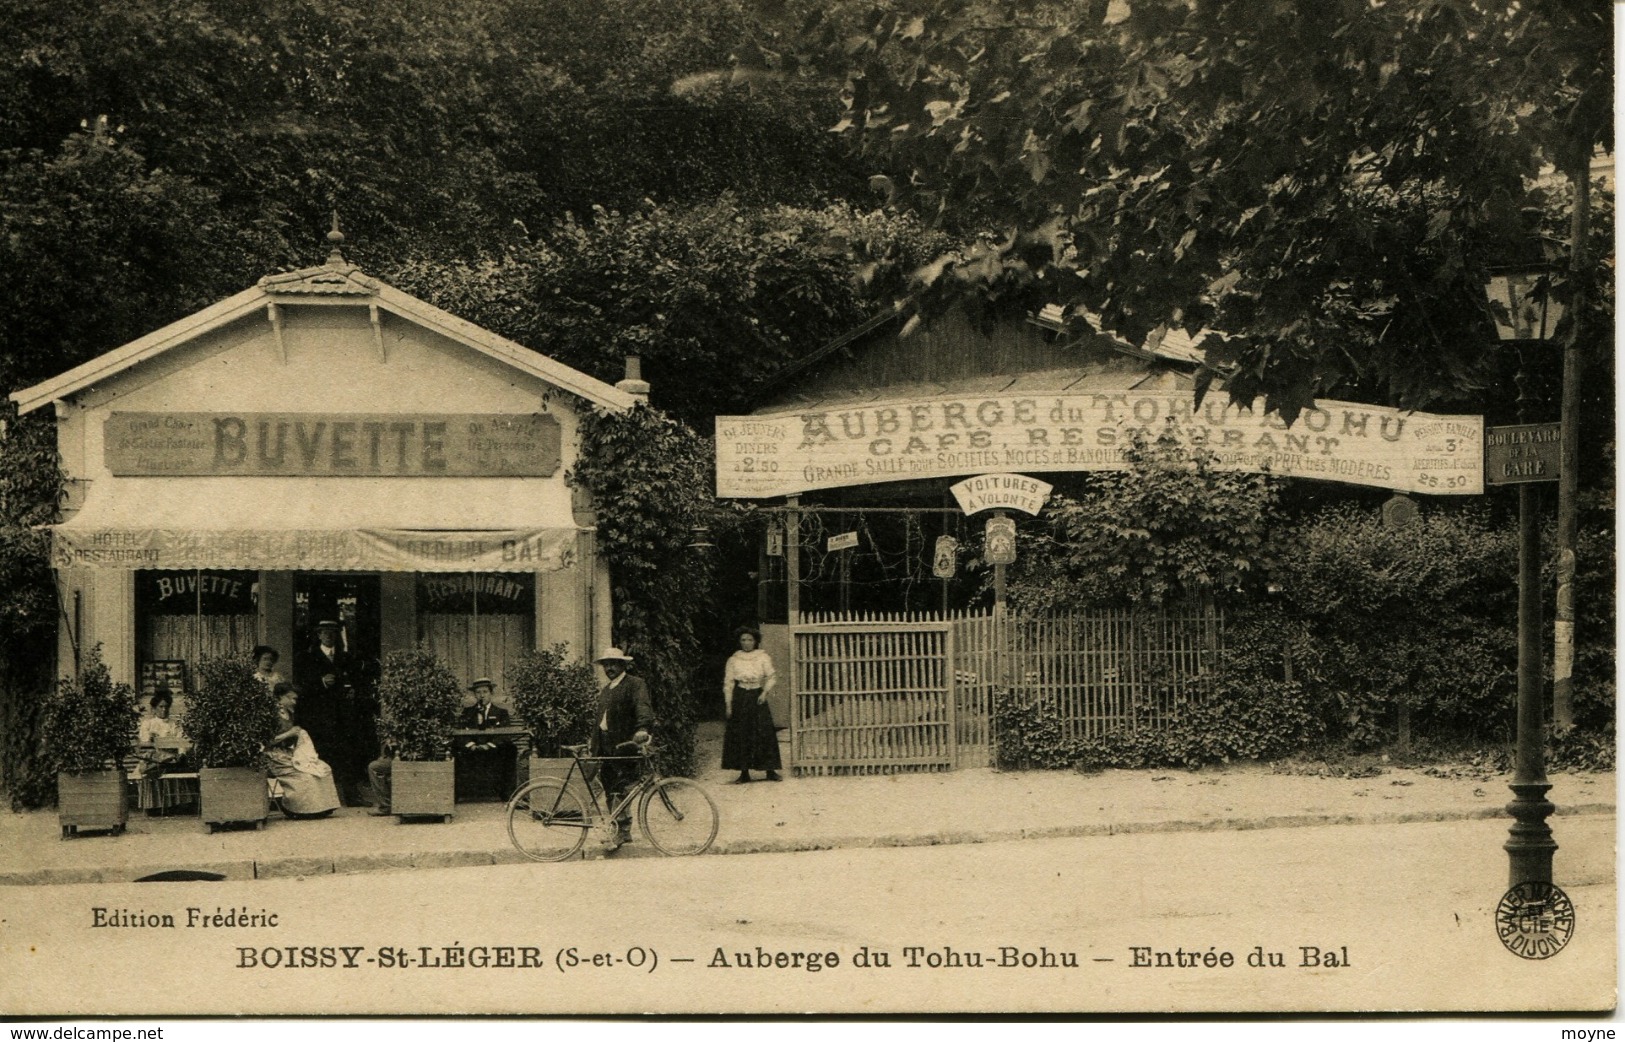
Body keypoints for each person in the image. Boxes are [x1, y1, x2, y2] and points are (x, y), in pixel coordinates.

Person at [590, 648, 653, 844]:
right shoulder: (606, 690)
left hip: (624, 744)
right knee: (610, 787)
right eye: (606, 664)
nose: (609, 668)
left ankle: (621, 830)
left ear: (623, 665)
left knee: (624, 787)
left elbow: (642, 706)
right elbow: (601, 720)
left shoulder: (635, 684)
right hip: (605, 745)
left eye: (614, 663)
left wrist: (642, 728)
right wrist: (593, 743)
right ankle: (619, 829)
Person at [292, 620, 357, 803]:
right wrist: (320, 681)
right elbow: (300, 685)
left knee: (345, 754)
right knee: (322, 755)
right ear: (319, 635)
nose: (329, 636)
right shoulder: (307, 657)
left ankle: (351, 797)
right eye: (325, 632)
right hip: (319, 716)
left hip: (341, 714)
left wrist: (351, 690)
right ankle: (326, 798)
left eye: (333, 633)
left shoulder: (345, 657)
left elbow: (353, 679)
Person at [265, 684, 340, 818]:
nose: (294, 702)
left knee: (323, 768)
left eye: (296, 699)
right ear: (281, 697)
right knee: (306, 776)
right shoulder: (270, 713)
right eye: (291, 698)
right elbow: (266, 741)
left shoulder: (289, 713)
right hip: (273, 755)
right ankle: (296, 809)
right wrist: (290, 733)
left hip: (287, 752)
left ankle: (322, 807)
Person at [721, 625, 782, 783]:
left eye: (749, 640)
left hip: (757, 696)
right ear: (739, 642)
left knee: (764, 732)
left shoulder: (763, 657)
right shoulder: (733, 659)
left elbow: (772, 677)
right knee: (742, 733)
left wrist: (764, 692)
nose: (746, 643)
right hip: (740, 697)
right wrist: (729, 704)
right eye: (743, 640)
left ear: (755, 641)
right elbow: (728, 683)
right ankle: (744, 773)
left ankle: (770, 770)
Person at [457, 678, 514, 801]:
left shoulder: (501, 712)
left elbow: (505, 734)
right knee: (455, 748)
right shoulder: (467, 712)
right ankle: (459, 795)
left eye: (485, 692)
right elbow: (460, 732)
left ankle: (507, 795)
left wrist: (489, 745)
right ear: (474, 695)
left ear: (491, 693)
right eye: (478, 692)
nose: (482, 695)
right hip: (472, 749)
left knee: (510, 748)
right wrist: (471, 745)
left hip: (493, 749)